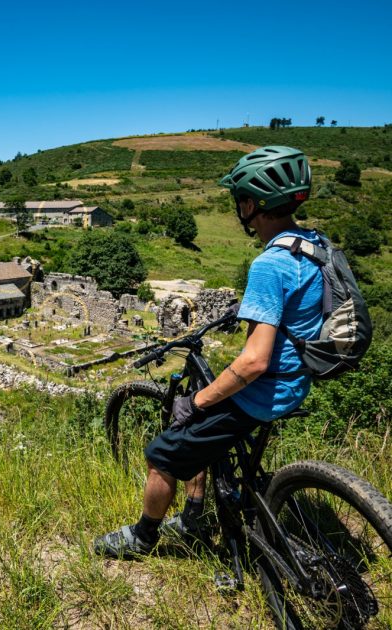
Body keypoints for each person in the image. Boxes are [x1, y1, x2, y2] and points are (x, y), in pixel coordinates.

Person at [93, 146, 323, 557]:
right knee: (205, 431)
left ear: (253, 203)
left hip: (266, 389)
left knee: (163, 451)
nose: (239, 208)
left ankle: (143, 538)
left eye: (240, 200)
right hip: (300, 378)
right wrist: (249, 307)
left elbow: (253, 361)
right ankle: (197, 511)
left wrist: (196, 402)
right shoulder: (313, 245)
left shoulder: (270, 264)